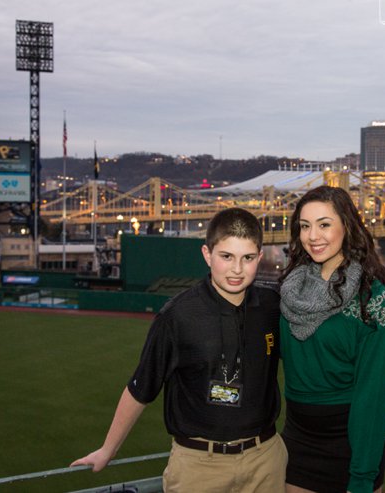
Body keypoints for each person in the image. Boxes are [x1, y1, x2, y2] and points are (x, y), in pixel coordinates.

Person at [71, 207, 286, 493]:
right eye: (226, 257)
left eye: (247, 258)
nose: (237, 269)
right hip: (199, 465)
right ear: (207, 255)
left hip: (265, 459)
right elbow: (140, 388)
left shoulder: (272, 305)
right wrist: (108, 449)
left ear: (259, 258)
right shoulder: (177, 315)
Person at [279, 186, 385, 493]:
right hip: (298, 437)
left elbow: (372, 397)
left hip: (351, 441)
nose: (312, 236)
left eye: (324, 224)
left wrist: (361, 477)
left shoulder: (373, 301)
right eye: (305, 226)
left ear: (347, 226)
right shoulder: (290, 290)